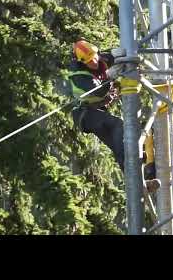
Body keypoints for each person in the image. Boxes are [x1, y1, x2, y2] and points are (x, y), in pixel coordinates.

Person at [68, 39, 160, 193]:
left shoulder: (97, 57)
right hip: (85, 114)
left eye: (95, 57)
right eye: (90, 61)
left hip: (97, 112)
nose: (95, 62)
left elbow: (112, 56)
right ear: (83, 62)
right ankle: (136, 182)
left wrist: (121, 54)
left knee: (122, 147)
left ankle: (139, 185)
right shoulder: (78, 74)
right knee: (119, 125)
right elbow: (98, 91)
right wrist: (110, 75)